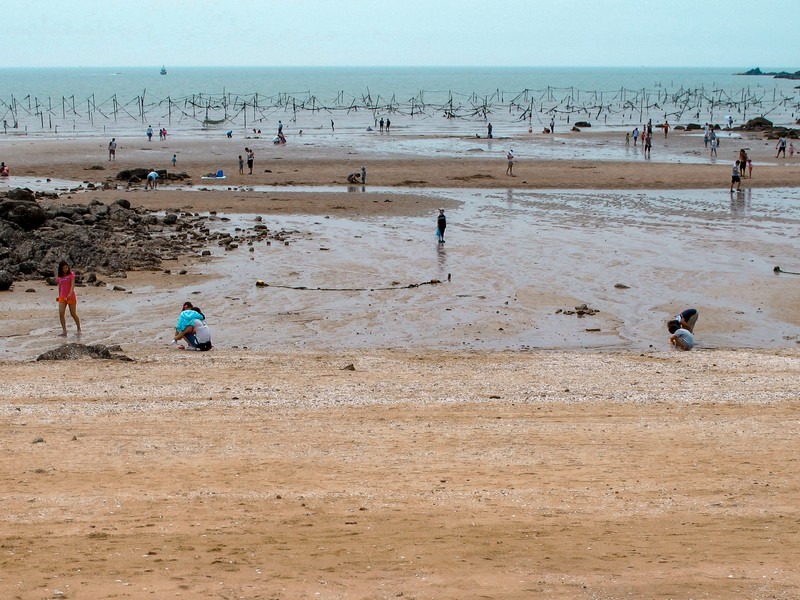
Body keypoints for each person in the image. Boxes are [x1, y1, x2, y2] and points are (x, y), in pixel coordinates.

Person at [56, 261, 81, 337]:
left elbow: (73, 284)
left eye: (66, 267)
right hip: (62, 297)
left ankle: (79, 328)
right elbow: (60, 287)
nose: (65, 269)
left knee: (73, 313)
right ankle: (64, 331)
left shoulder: (71, 274)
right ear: (61, 269)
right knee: (61, 313)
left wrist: (70, 293)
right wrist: (59, 296)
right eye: (63, 268)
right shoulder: (59, 277)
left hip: (71, 296)